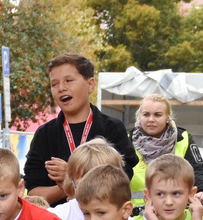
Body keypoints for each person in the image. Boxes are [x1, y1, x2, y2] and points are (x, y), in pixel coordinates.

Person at [23, 54, 138, 206]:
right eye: (54, 84)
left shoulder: (112, 128)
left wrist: (72, 177)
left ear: (91, 85)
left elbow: (121, 181)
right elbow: (34, 193)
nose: (61, 88)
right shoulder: (45, 134)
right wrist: (69, 186)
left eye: (69, 81)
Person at [129, 95, 203, 202]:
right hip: (137, 216)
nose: (151, 119)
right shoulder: (127, 140)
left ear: (168, 117)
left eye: (157, 115)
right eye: (146, 114)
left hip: (176, 212)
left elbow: (197, 170)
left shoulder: (183, 138)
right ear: (139, 116)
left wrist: (202, 192)